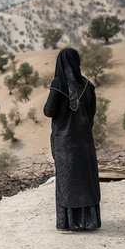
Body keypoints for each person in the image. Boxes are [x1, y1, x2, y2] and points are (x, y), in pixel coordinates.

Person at [43, 48, 101, 231]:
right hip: (84, 141)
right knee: (85, 181)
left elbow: (48, 111)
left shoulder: (58, 85)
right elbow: (92, 113)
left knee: (67, 182)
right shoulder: (88, 85)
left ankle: (69, 222)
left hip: (65, 143)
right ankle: (88, 221)